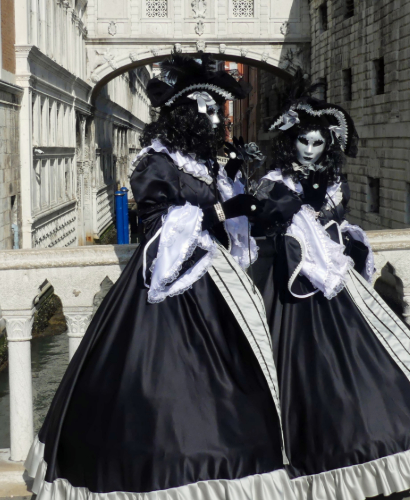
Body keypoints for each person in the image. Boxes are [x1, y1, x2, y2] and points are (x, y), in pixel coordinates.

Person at [24, 55, 292, 500]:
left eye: (216, 111)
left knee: (232, 386)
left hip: (214, 283)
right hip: (170, 286)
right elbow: (158, 227)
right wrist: (221, 210)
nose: (214, 119)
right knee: (165, 388)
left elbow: (222, 217)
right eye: (205, 110)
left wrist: (240, 195)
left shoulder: (202, 163)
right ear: (182, 115)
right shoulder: (155, 164)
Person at [253, 75, 410, 500]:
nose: (309, 150)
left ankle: (368, 453)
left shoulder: (333, 181)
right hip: (290, 289)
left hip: (337, 287)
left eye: (317, 143)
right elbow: (265, 224)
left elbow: (336, 221)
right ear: (291, 141)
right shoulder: (275, 181)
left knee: (369, 364)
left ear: (328, 145)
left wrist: (337, 231)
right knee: (296, 374)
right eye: (303, 141)